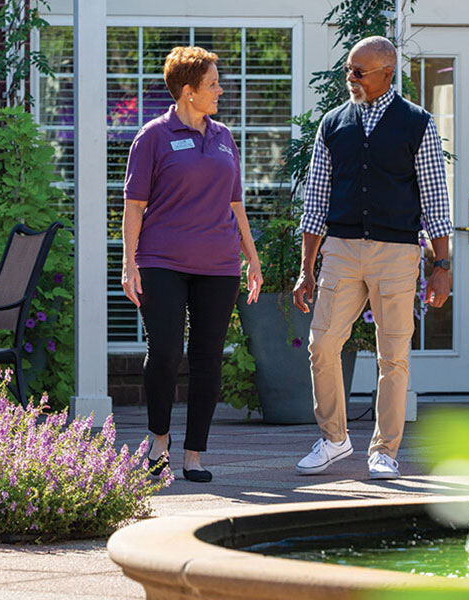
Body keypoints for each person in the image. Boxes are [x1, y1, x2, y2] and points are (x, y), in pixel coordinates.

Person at [292, 36, 453, 480]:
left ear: (387, 73)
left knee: (393, 356)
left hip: (397, 252)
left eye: (359, 72)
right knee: (322, 344)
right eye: (348, 69)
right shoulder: (333, 124)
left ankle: (384, 449)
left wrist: (441, 265)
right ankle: (334, 439)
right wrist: (306, 268)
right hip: (341, 250)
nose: (351, 78)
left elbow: (435, 200)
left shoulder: (417, 124)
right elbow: (316, 200)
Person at [121, 46, 262, 483]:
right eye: (213, 84)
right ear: (188, 91)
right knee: (164, 351)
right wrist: (129, 263)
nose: (220, 90)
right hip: (161, 260)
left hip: (219, 264)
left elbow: (235, 204)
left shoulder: (223, 136)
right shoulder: (153, 137)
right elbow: (134, 205)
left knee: (208, 358)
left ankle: (194, 454)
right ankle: (158, 440)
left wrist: (252, 259)